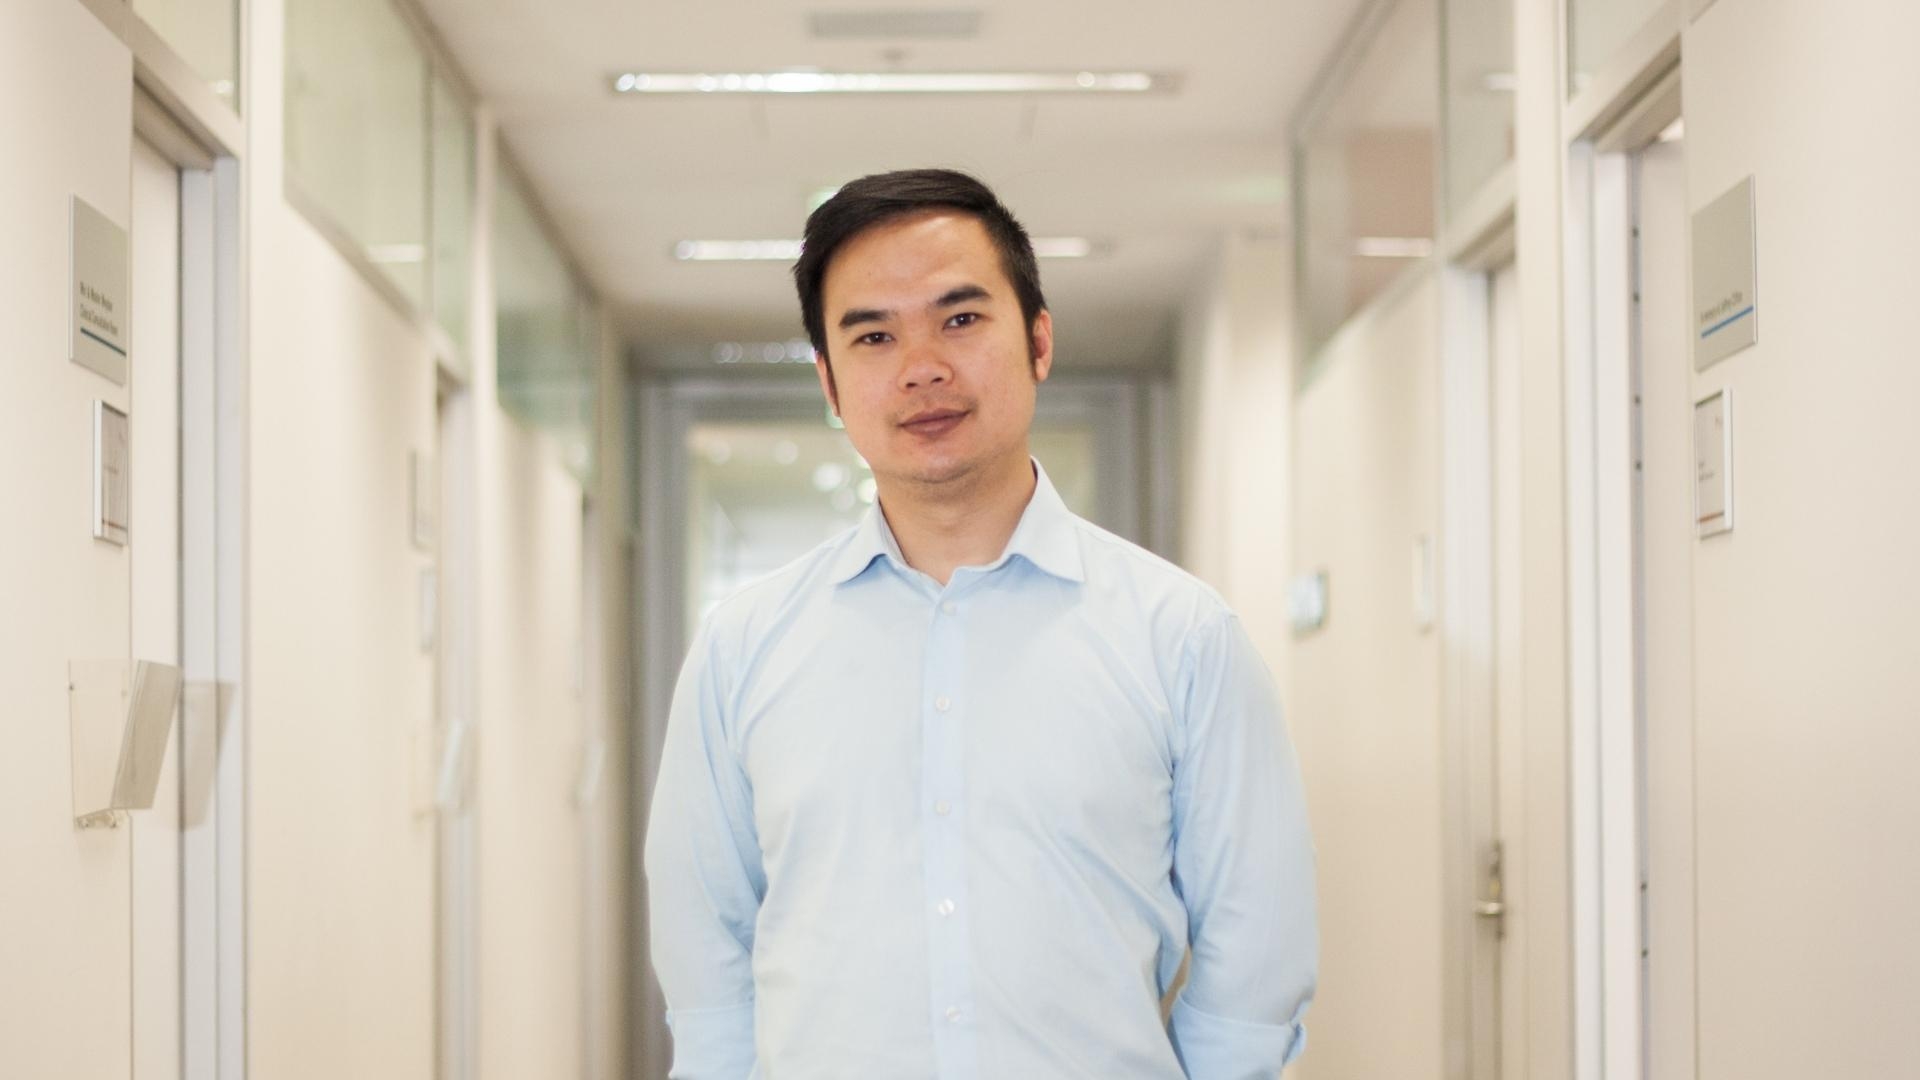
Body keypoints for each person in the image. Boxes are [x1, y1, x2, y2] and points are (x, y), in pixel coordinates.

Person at [644, 168, 1316, 1080]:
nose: (923, 366)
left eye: (960, 319)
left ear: (1039, 339)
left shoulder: (1182, 638)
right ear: (832, 385)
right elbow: (706, 955)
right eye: (874, 334)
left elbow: (1254, 955)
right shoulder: (743, 648)